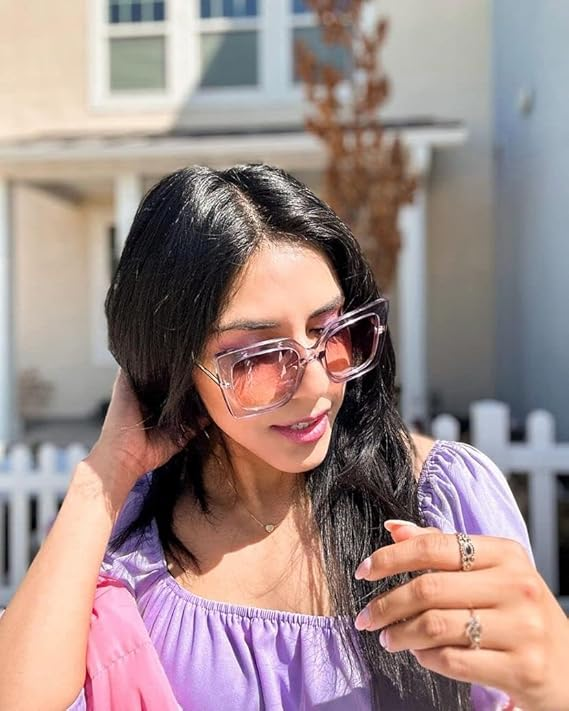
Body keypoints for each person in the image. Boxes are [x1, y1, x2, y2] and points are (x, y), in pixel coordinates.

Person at [0, 164, 567, 711]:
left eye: (330, 331)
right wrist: (108, 469)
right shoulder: (121, 541)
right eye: (257, 355)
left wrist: (554, 675)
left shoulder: (438, 496)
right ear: (174, 365)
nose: (316, 384)